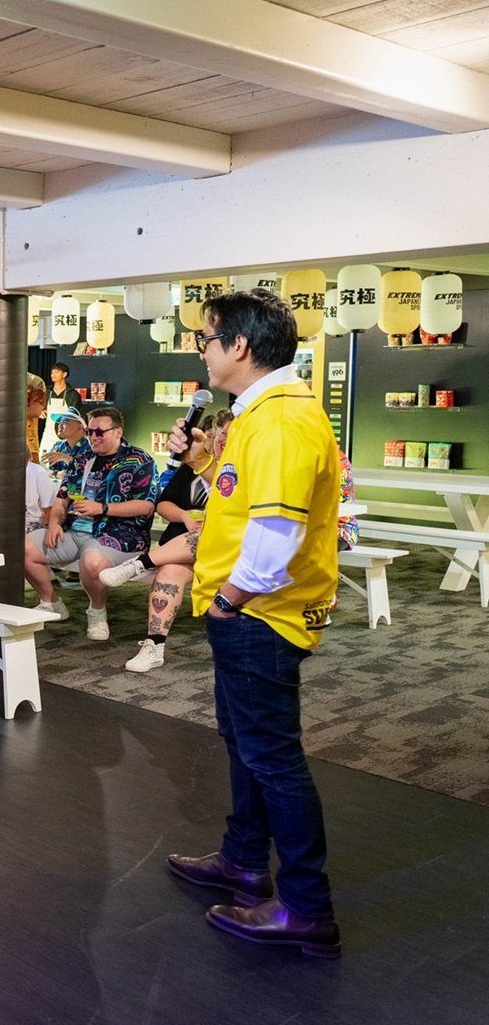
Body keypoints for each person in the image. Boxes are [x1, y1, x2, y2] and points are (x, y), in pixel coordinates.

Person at [163, 288, 344, 958]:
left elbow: (275, 534)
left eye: (206, 340)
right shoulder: (260, 417)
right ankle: (242, 862)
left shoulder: (281, 422)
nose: (203, 351)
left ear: (238, 346)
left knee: (272, 757)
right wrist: (202, 462)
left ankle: (305, 907)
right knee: (246, 744)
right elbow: (241, 501)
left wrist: (230, 600)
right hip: (247, 611)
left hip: (260, 615)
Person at [103, 410, 235, 673]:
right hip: (185, 549)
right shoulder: (196, 467)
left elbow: (232, 502)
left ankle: (140, 563)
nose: (221, 439)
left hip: (228, 551)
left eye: (229, 435)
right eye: (220, 433)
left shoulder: (241, 471)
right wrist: (186, 516)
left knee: (209, 532)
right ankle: (154, 645)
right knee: (170, 571)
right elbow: (162, 503)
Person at [23, 406, 157, 638]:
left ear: (118, 432)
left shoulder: (139, 460)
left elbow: (146, 506)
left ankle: (97, 611)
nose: (93, 437)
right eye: (90, 432)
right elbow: (62, 498)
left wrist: (102, 508)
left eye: (99, 432)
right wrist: (54, 522)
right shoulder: (82, 460)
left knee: (93, 562)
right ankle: (52, 602)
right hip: (74, 531)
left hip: (120, 535)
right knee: (21, 549)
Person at [40, 362, 84, 452]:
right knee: (44, 459)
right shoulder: (47, 392)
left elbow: (75, 416)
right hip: (48, 433)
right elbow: (40, 408)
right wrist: (40, 412)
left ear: (64, 374)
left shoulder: (73, 394)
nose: (53, 375)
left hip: (66, 433)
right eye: (52, 372)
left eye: (56, 372)